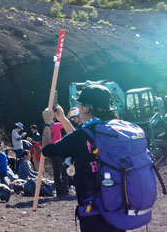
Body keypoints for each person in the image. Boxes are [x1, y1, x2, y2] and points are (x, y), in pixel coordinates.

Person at [41, 84, 125, 232]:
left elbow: (48, 150)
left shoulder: (83, 135)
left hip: (93, 211)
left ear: (86, 108)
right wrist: (62, 119)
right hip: (118, 205)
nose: (78, 107)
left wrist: (47, 123)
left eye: (79, 104)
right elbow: (80, 139)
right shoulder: (116, 129)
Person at [49, 117, 69, 197]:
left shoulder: (47, 128)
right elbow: (65, 123)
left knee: (56, 172)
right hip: (59, 151)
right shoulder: (56, 126)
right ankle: (64, 191)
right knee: (64, 172)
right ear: (54, 120)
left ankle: (58, 191)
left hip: (52, 152)